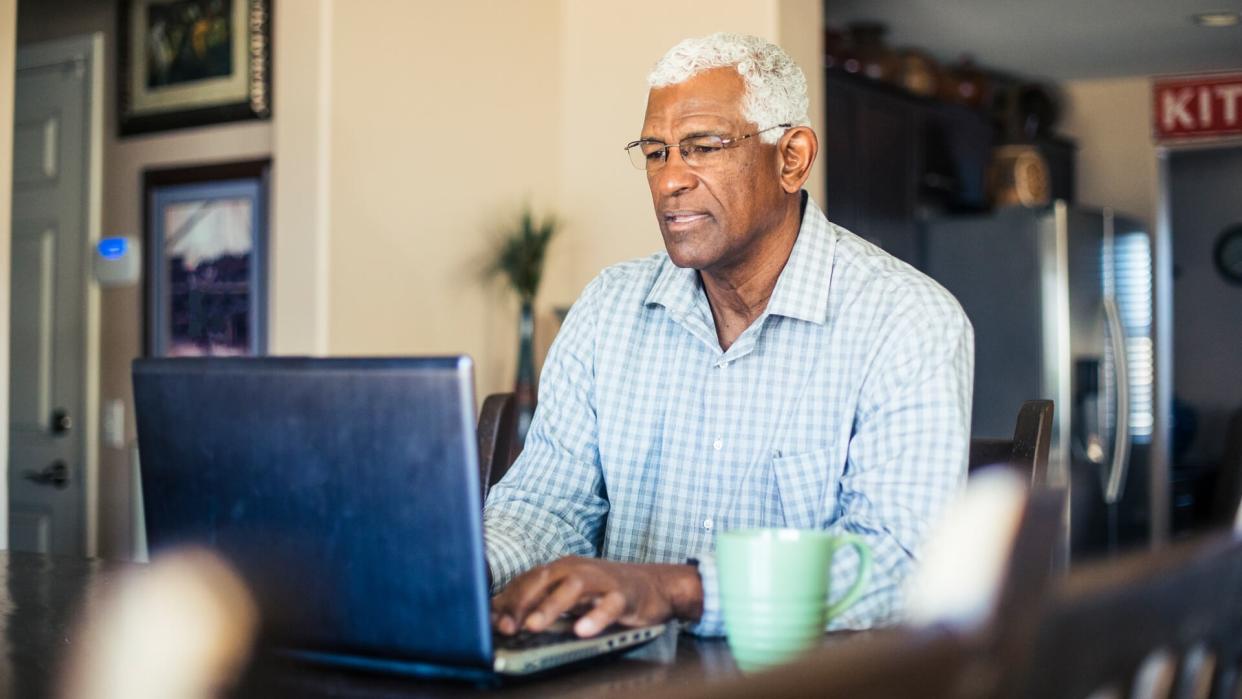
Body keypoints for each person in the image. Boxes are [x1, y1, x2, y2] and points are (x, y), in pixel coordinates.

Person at [484, 33, 973, 639]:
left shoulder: (905, 319)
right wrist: (457, 570)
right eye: (656, 152)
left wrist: (676, 590)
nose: (668, 181)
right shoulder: (608, 307)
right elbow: (544, 507)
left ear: (791, 157)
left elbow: (900, 561)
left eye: (702, 147)